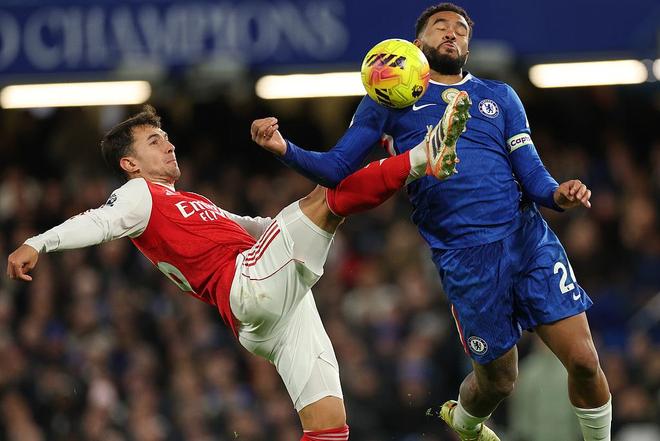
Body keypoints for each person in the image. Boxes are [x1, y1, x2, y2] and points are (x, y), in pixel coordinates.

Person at [6, 98, 469, 441]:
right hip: (248, 282)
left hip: (267, 314)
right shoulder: (138, 195)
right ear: (130, 164)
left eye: (166, 137)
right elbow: (98, 222)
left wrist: (297, 222)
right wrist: (37, 242)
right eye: (154, 141)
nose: (168, 145)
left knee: (328, 424)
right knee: (327, 197)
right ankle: (423, 156)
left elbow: (254, 226)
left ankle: (414, 159)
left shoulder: (188, 201)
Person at [250, 3, 612, 441]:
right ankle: (465, 421)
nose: (452, 33)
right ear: (416, 43)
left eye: (461, 29)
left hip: (527, 238)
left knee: (584, 360)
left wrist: (558, 194)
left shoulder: (499, 96)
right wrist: (284, 148)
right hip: (465, 257)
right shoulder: (388, 102)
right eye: (440, 26)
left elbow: (532, 174)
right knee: (499, 381)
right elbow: (337, 168)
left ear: (468, 46)